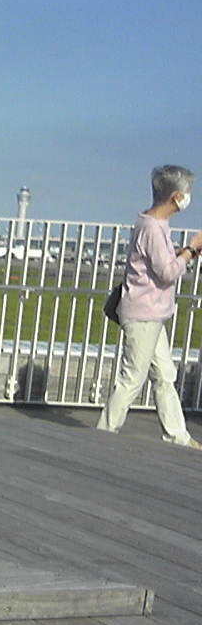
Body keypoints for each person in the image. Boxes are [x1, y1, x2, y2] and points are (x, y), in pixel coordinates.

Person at [96, 165, 202, 447]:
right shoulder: (154, 228)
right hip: (144, 314)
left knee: (165, 374)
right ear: (176, 196)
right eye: (188, 192)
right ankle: (104, 432)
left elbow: (156, 263)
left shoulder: (150, 223)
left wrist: (181, 253)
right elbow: (167, 273)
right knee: (133, 377)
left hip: (152, 314)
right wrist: (191, 250)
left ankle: (177, 435)